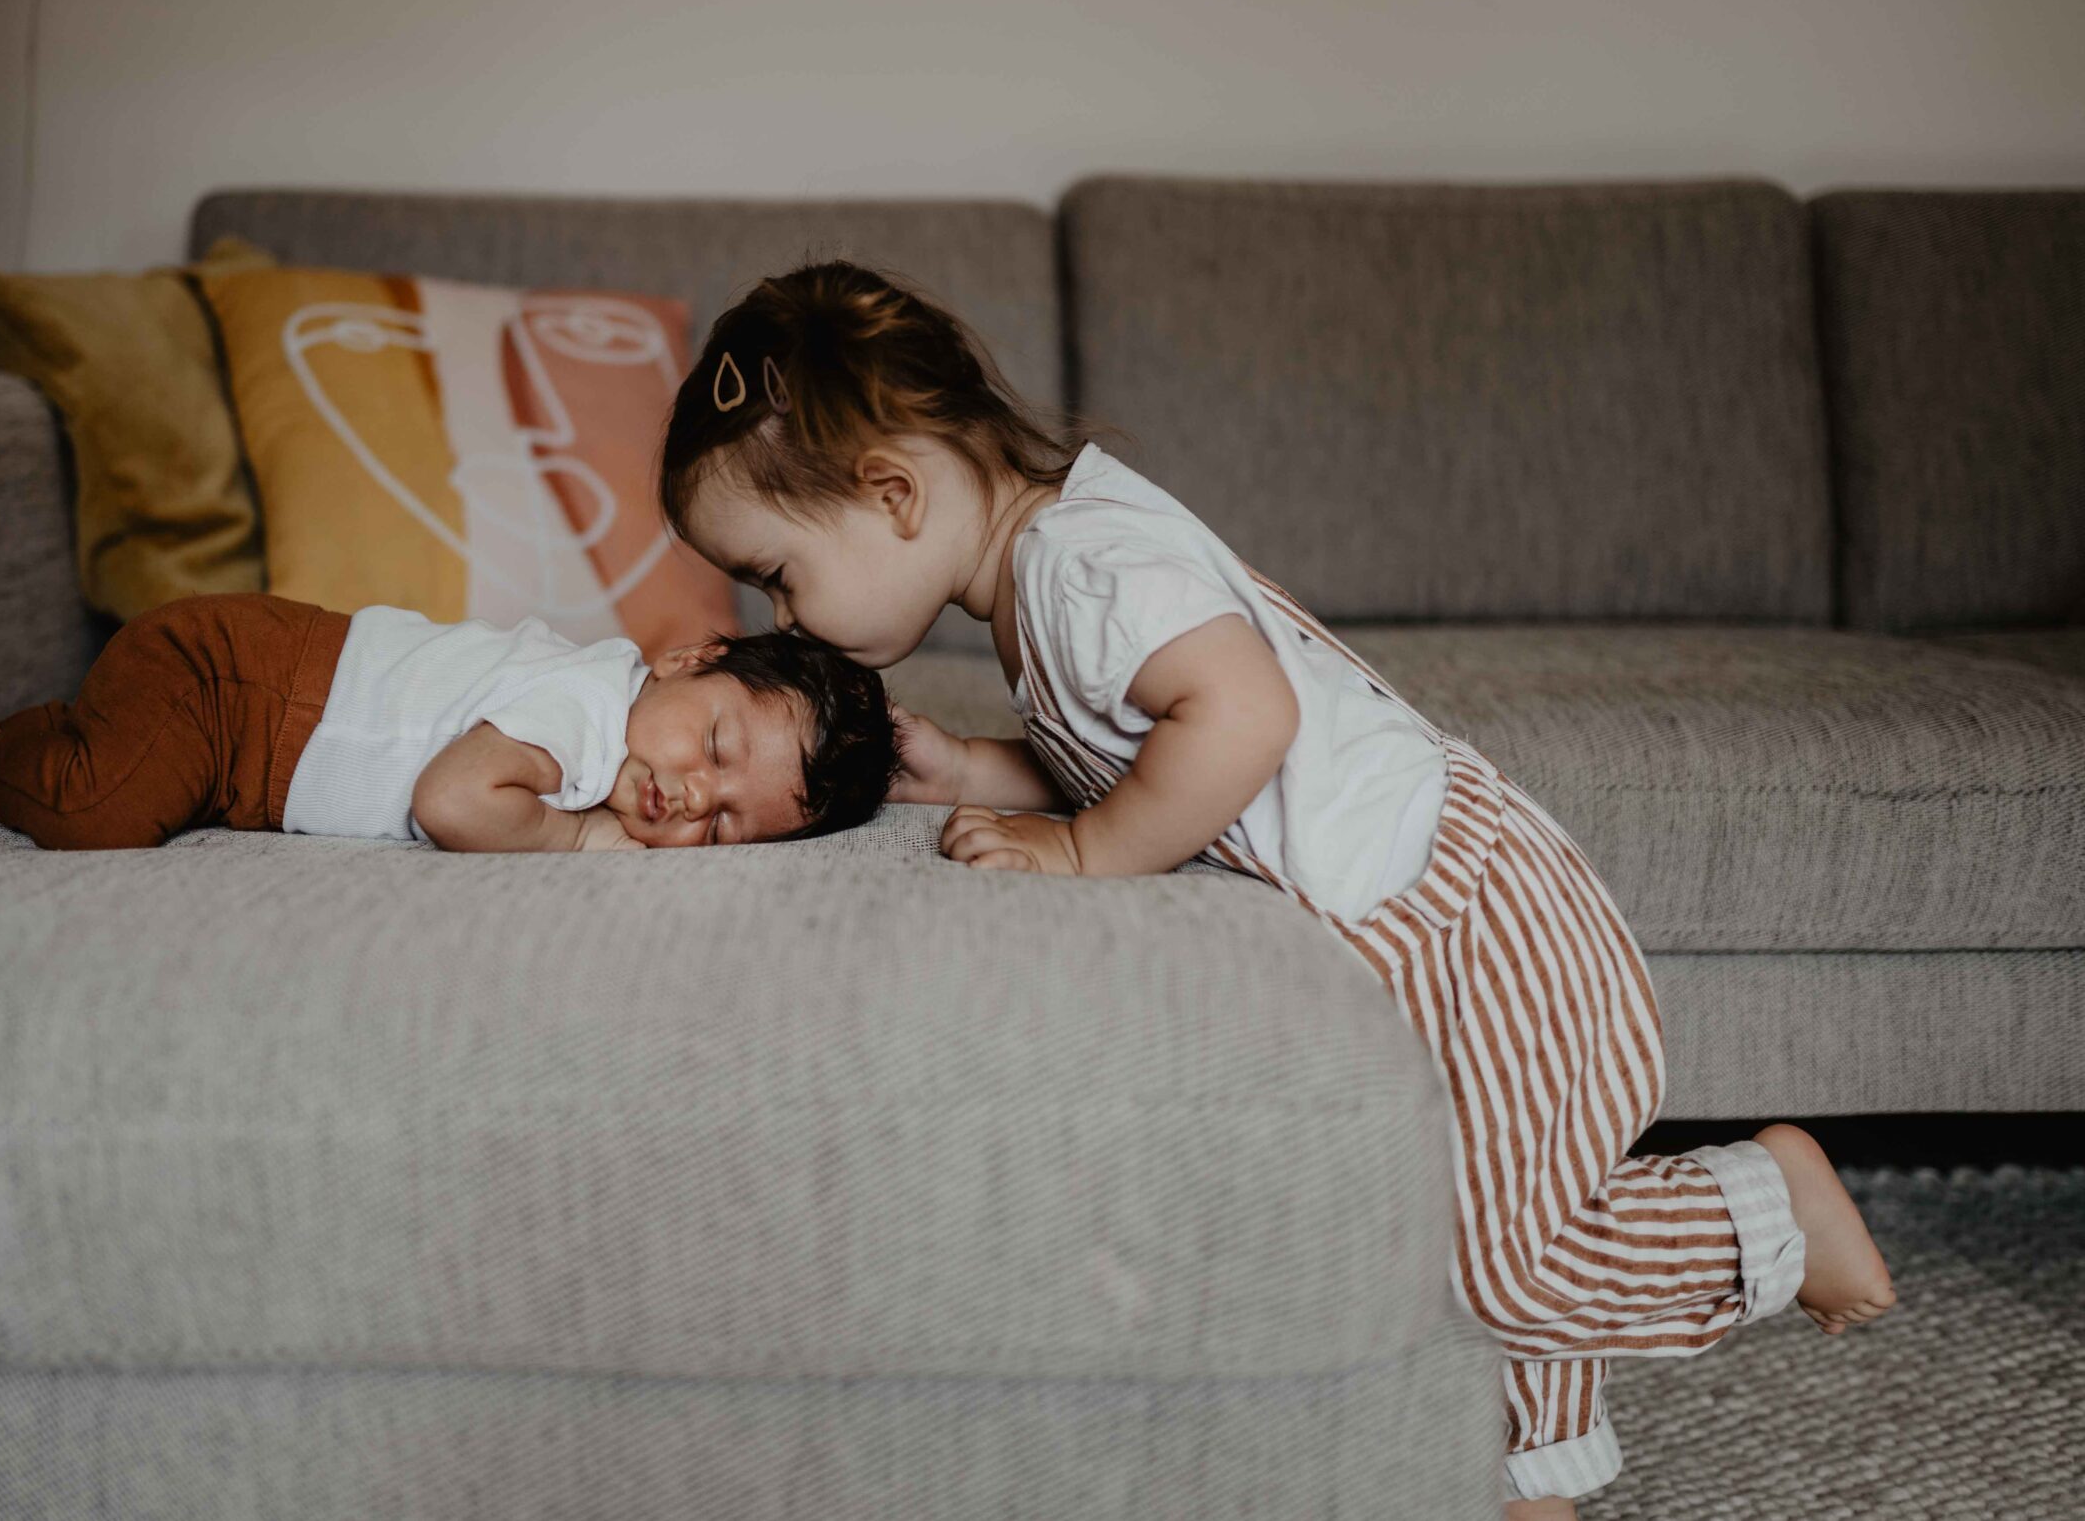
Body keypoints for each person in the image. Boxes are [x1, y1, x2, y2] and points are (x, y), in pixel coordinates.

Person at [656, 260, 1895, 1518]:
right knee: (1466, 1202)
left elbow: (1244, 714)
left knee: (1487, 1263)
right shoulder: (1045, 578)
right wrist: (975, 767)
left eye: (777, 573)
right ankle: (1535, 1485)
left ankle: (1754, 1210)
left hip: (1466, 921)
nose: (780, 613)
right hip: (1406, 934)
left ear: (893, 493)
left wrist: (1087, 854)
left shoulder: (1086, 570)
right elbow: (1146, 747)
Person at [0, 593, 898, 854]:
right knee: (104, 812)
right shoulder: (590, 716)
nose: (691, 796)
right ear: (690, 661)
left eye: (721, 824)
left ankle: (63, 735)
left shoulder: (617, 714)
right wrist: (575, 833)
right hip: (230, 684)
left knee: (130, 771)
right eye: (715, 746)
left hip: (253, 736)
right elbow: (451, 801)